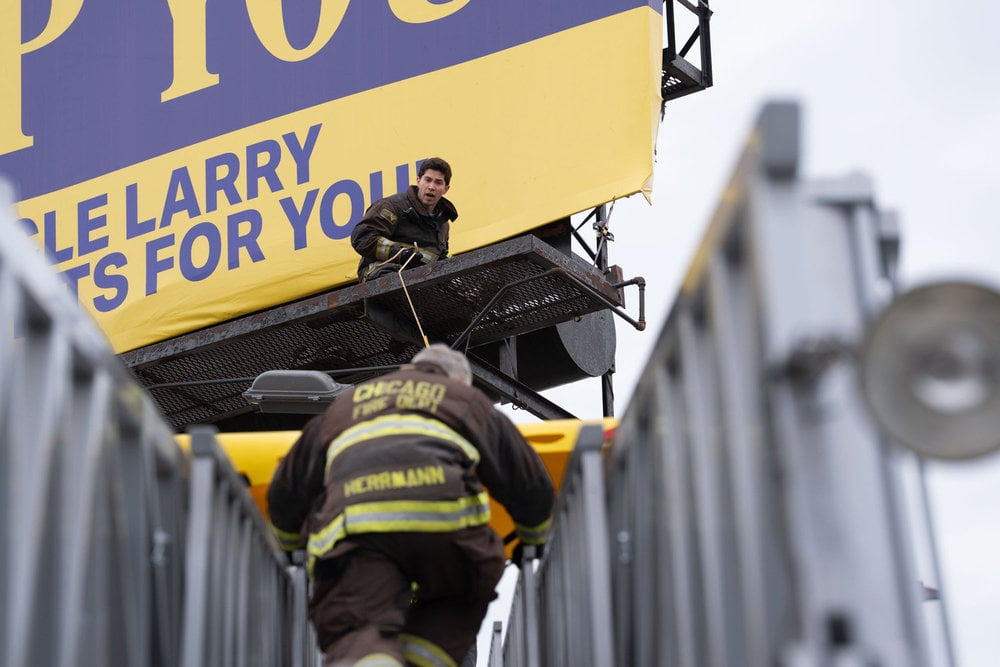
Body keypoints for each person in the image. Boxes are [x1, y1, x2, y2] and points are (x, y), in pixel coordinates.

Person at [267, 344, 554, 667]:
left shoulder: (344, 406)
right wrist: (533, 540)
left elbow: (286, 490)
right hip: (443, 528)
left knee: (355, 620)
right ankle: (422, 659)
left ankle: (370, 658)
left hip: (358, 532)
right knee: (461, 592)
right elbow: (528, 483)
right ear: (458, 381)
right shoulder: (466, 400)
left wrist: (292, 547)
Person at [351, 157, 459, 282]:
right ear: (418, 181)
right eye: (427, 180)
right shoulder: (393, 207)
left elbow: (437, 258)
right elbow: (362, 237)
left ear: (446, 189)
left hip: (421, 283)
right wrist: (401, 254)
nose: (431, 187)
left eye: (438, 183)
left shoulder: (443, 223)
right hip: (382, 277)